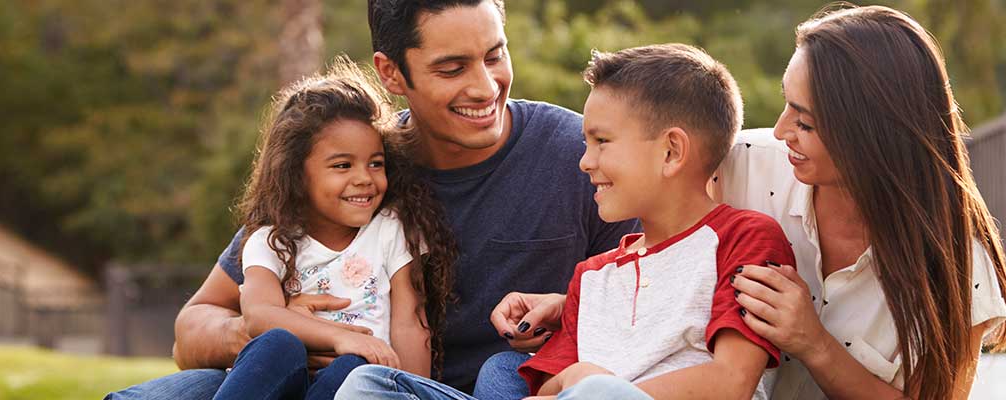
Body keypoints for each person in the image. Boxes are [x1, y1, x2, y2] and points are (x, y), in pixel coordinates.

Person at [488, 5, 1006, 400]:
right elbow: (673, 256)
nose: (782, 129)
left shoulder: (959, 263)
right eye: (786, 107)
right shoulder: (743, 161)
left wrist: (814, 343)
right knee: (499, 376)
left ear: (871, 135)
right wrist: (581, 306)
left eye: (805, 120)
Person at [106, 1, 638, 398]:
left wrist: (566, 316)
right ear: (391, 73)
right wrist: (280, 326)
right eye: (451, 68)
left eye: (495, 56)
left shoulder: (578, 154)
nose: (484, 86)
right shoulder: (354, 166)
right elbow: (191, 329)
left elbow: (652, 300)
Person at [336, 43, 794, 400]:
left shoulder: (744, 237)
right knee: (371, 385)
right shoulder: (592, 276)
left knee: (596, 389)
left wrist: (590, 384)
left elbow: (732, 382)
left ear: (671, 151)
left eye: (601, 142)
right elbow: (547, 386)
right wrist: (571, 383)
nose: (584, 162)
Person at [205, 57, 457, 400]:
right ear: (296, 174)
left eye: (375, 163)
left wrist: (409, 391)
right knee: (278, 343)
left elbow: (410, 322)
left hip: (356, 385)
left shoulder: (391, 229)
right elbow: (259, 314)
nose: (364, 179)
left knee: (354, 365)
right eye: (342, 165)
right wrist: (339, 336)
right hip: (284, 382)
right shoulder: (271, 240)